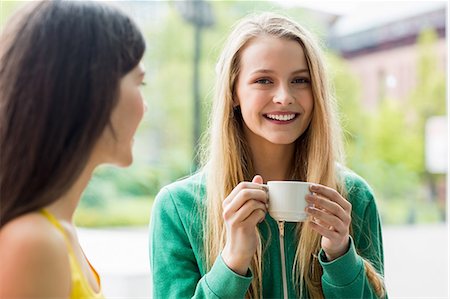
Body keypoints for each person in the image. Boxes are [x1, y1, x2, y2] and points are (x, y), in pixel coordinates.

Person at [149, 12, 386, 299]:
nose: (284, 96)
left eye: (300, 81)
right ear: (234, 92)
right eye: (263, 80)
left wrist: (340, 256)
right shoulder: (177, 208)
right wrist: (233, 262)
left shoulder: (353, 198)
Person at [0, 1, 146, 298]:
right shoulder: (34, 242)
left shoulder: (57, 230)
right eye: (140, 83)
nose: (145, 106)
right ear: (94, 92)